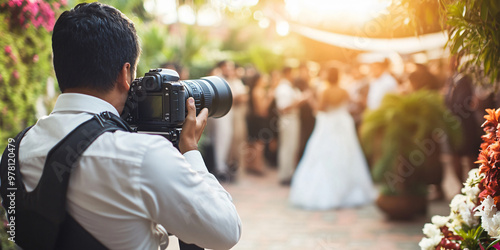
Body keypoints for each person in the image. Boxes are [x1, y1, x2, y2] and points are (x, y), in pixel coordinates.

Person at [3, 3, 241, 249]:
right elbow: (226, 231)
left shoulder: (15, 150)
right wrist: (189, 149)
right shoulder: (141, 156)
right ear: (125, 74)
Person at [289, 66, 376, 210]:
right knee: (347, 154)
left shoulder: (326, 91)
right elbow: (350, 105)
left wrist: (311, 101)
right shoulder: (344, 91)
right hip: (343, 123)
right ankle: (347, 191)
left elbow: (320, 109)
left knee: (323, 155)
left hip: (329, 125)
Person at [274, 67, 307, 185]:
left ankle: (289, 173)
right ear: (288, 73)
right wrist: (300, 101)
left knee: (292, 147)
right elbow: (283, 108)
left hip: (293, 119)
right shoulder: (283, 88)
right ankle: (285, 175)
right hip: (288, 120)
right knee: (287, 147)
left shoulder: (288, 87)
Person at [244, 73, 275, 175]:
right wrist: (270, 98)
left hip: (254, 119)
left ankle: (250, 165)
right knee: (259, 144)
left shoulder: (254, 90)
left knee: (252, 143)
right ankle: (257, 166)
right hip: (258, 120)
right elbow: (261, 109)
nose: (266, 80)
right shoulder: (259, 91)